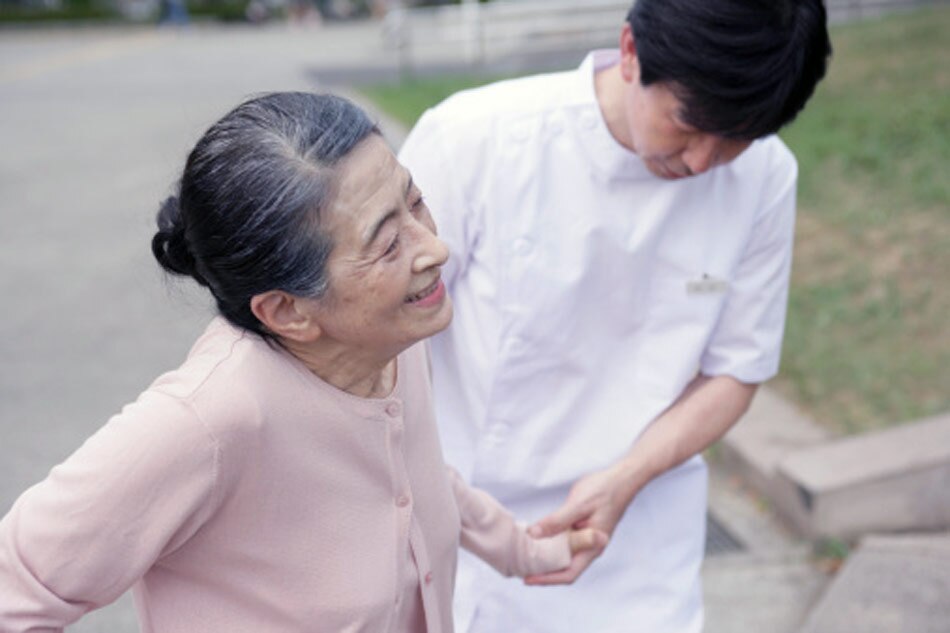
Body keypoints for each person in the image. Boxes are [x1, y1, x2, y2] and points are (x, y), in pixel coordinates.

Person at [0, 93, 604, 632]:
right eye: (389, 243)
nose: (435, 247)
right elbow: (16, 591)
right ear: (287, 310)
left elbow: (417, 479)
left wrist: (525, 550)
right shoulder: (206, 423)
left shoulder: (392, 344)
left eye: (415, 202)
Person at [397, 1, 833, 631]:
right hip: (468, 520)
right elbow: (384, 335)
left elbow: (736, 371)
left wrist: (627, 478)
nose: (702, 162)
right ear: (630, 51)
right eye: (687, 123)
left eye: (737, 137)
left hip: (641, 534)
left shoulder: (766, 178)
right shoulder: (475, 139)